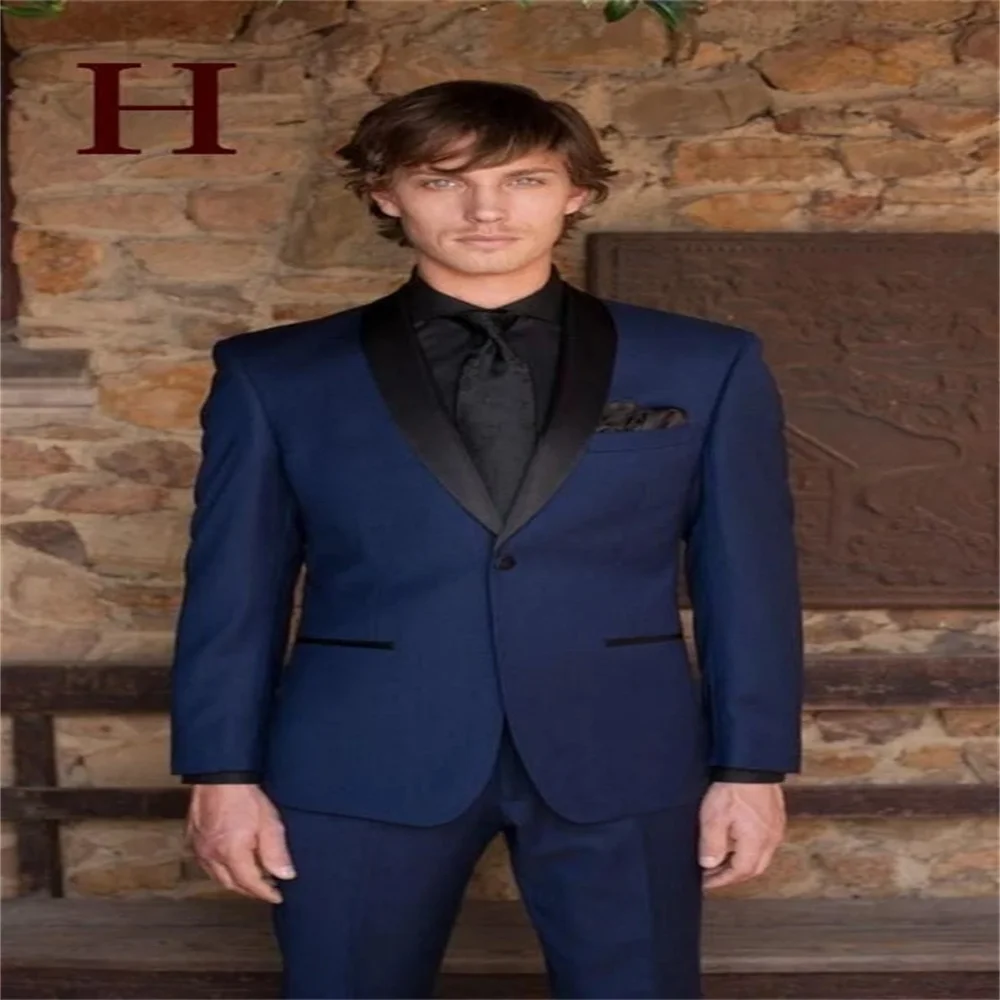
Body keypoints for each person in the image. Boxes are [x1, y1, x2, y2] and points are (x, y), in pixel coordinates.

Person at [170, 78, 804, 1000]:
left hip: (623, 751)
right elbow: (235, 589)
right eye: (443, 182)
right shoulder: (275, 374)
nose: (485, 210)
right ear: (385, 193)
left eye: (523, 180)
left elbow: (749, 579)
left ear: (576, 192)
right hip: (358, 756)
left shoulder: (706, 363)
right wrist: (221, 774)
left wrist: (751, 767)